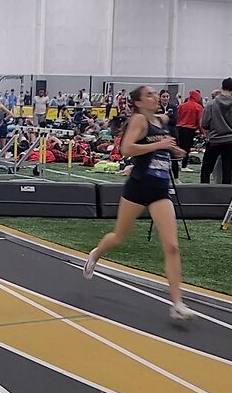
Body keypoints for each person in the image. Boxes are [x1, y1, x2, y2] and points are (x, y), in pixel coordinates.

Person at [82, 86, 195, 321]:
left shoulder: (162, 120)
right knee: (119, 236)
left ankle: (176, 302)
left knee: (172, 245)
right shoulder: (140, 120)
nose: (156, 98)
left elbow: (163, 146)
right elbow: (127, 149)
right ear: (139, 102)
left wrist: (173, 150)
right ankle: (96, 252)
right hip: (139, 186)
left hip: (160, 189)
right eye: (150, 95)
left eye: (156, 94)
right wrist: (159, 146)